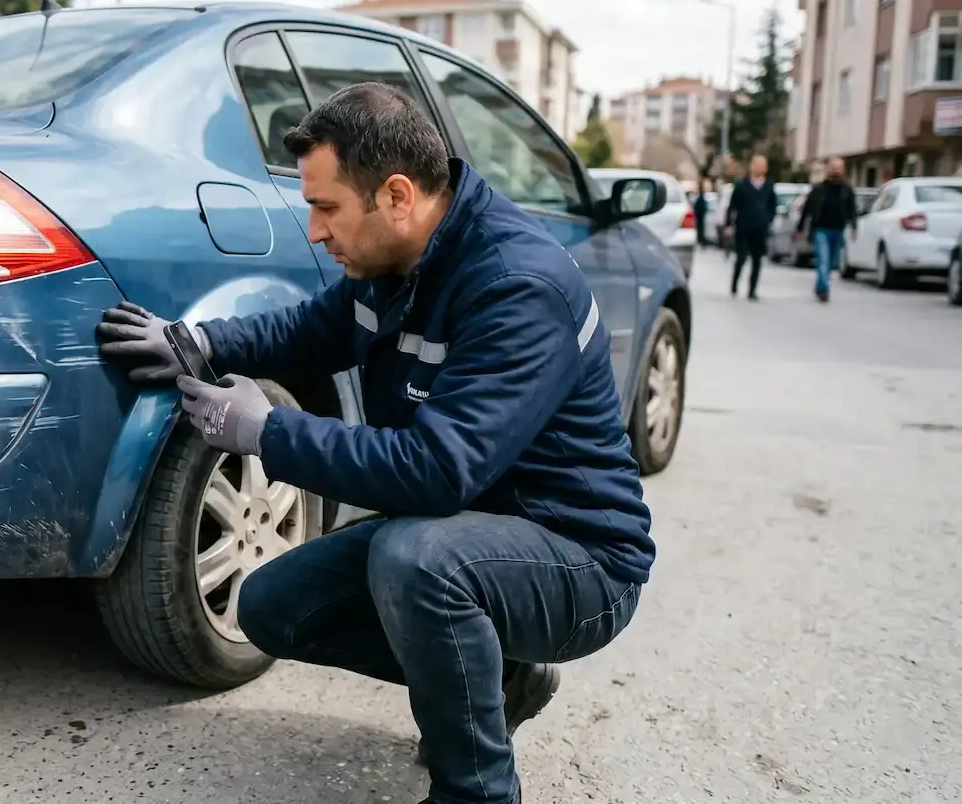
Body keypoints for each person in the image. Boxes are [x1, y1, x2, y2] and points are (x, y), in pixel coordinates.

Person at [97, 82, 654, 804]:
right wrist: (199, 341)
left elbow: (436, 471)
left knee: (415, 559)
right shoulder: (394, 262)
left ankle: (478, 792)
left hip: (579, 560)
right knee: (272, 606)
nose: (315, 230)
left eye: (326, 207)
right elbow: (310, 330)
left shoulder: (516, 286)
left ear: (396, 195)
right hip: (464, 533)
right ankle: (504, 678)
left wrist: (265, 430)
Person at [797, 157, 860, 303]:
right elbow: (807, 209)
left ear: (843, 170)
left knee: (831, 263)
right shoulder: (819, 189)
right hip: (821, 229)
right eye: (833, 167)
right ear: (828, 169)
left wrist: (854, 227)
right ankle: (823, 289)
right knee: (823, 259)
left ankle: (821, 285)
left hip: (838, 230)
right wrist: (800, 228)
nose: (836, 170)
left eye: (839, 167)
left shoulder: (847, 189)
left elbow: (852, 210)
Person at [724, 155, 778, 300]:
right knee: (741, 257)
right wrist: (729, 224)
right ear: (751, 166)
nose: (759, 167)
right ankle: (735, 283)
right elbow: (732, 206)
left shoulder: (769, 186)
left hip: (760, 228)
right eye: (756, 164)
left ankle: (752, 290)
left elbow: (773, 205)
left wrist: (768, 219)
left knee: (757, 259)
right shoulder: (742, 185)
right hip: (743, 227)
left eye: (762, 165)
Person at [693, 183, 710, 248]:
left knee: (700, 228)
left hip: (699, 215)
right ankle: (701, 240)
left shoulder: (699, 197)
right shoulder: (701, 197)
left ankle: (700, 239)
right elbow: (701, 207)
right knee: (701, 228)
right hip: (700, 216)